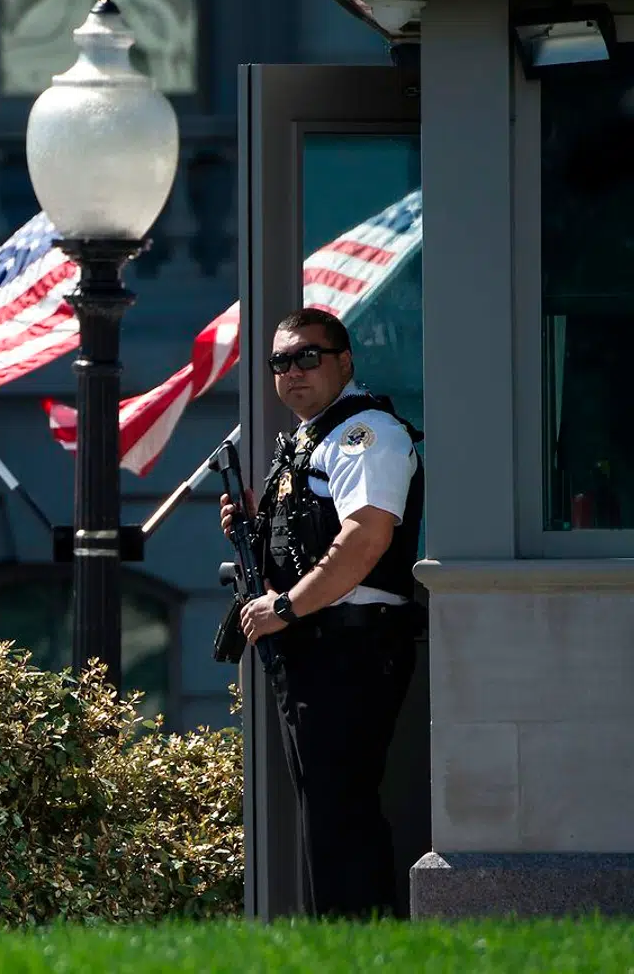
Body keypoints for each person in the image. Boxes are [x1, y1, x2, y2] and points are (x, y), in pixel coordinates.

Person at [220, 307, 425, 919]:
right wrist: (256, 531)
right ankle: (342, 945)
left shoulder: (366, 434)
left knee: (340, 811)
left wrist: (283, 606)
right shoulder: (314, 439)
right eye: (280, 361)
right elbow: (313, 539)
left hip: (352, 649)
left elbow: (364, 541)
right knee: (327, 810)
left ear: (344, 362)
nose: (293, 371)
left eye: (309, 356)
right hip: (318, 649)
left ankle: (361, 948)